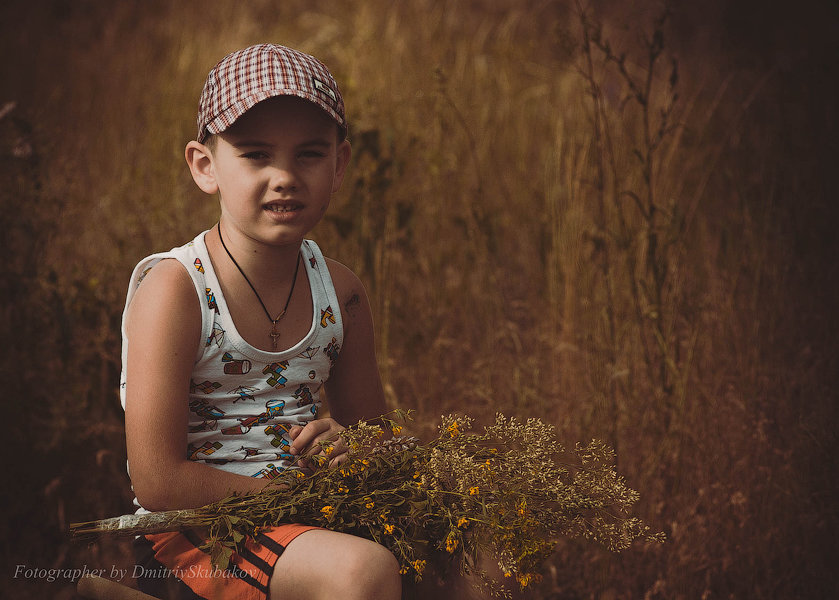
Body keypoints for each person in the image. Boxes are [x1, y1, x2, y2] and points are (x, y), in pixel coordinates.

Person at [120, 44, 401, 600]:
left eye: (309, 155)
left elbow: (378, 441)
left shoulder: (340, 292)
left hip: (312, 516)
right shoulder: (176, 290)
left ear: (339, 164)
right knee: (360, 574)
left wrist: (355, 446)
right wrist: (291, 499)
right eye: (255, 154)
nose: (284, 177)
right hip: (196, 531)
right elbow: (157, 479)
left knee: (477, 554)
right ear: (206, 166)